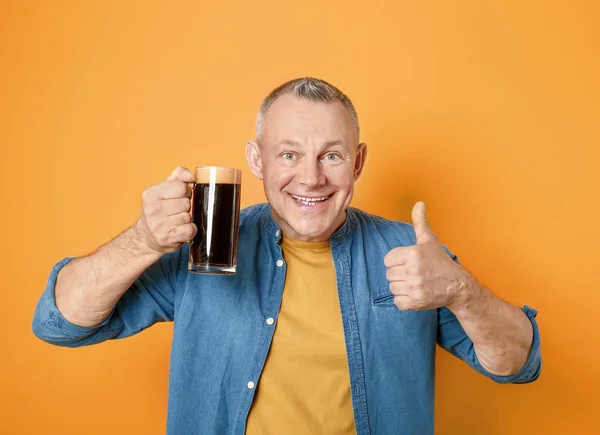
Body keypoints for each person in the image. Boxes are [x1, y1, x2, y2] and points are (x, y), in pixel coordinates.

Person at [32, 77, 541, 435]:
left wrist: (460, 290)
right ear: (257, 159)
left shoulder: (410, 253)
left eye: (332, 155)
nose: (312, 177)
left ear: (358, 161)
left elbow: (519, 363)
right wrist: (142, 242)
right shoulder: (204, 244)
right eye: (289, 154)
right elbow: (60, 323)